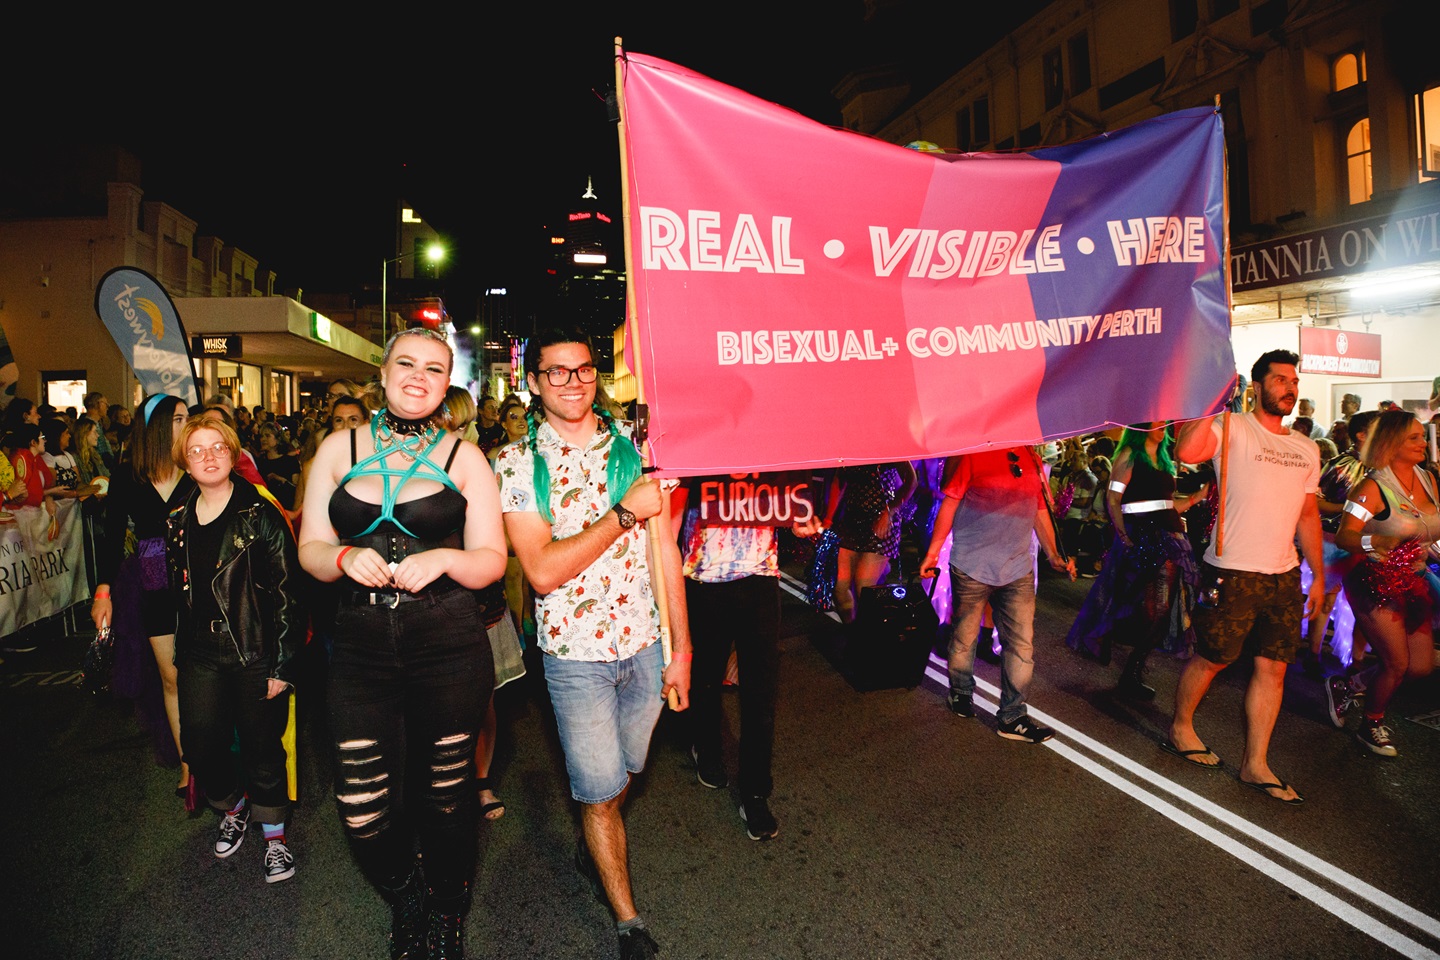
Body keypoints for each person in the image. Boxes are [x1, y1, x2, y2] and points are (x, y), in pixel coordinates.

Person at [299, 328, 506, 960]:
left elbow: (493, 561)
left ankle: (447, 911)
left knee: (445, 796)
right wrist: (340, 556)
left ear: (448, 385)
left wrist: (445, 556)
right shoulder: (338, 448)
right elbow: (308, 549)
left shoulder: (464, 457)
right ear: (383, 373)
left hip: (446, 641)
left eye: (435, 369)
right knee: (360, 806)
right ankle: (407, 892)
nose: (419, 377)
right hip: (360, 646)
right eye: (407, 364)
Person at [495, 327, 690, 960]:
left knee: (626, 771)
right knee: (603, 791)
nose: (573, 381)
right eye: (557, 372)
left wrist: (681, 650)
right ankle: (628, 919)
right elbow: (543, 570)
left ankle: (594, 828)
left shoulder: (638, 447)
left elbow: (667, 553)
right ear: (534, 382)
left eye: (583, 370)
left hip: (644, 647)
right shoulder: (518, 464)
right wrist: (623, 514)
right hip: (573, 656)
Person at [1167, 350, 1323, 804]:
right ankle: (1181, 727)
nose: (1289, 387)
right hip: (1232, 569)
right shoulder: (1232, 428)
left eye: (1293, 380)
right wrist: (1214, 403)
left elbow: (1309, 516)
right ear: (1257, 387)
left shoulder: (1306, 447)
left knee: (1273, 669)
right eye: (1279, 379)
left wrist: (1316, 575)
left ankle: (1256, 763)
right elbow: (1186, 450)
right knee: (1214, 658)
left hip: (1284, 575)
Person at [167, 414, 300, 882]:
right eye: (197, 450)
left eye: (217, 447)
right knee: (200, 745)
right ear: (185, 463)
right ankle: (233, 805)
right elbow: (177, 592)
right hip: (200, 652)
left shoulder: (259, 513)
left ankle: (275, 837)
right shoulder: (177, 520)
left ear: (233, 455)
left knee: (263, 747)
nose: (208, 456)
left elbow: (288, 591)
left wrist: (281, 662)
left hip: (253, 650)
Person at [674, 478, 820, 841]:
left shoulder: (768, 440)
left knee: (761, 693)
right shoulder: (695, 435)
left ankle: (755, 793)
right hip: (703, 578)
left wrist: (800, 518)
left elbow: (791, 496)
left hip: (760, 577)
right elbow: (668, 521)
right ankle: (706, 746)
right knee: (706, 676)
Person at [921, 446, 1075, 744]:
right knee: (965, 636)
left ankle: (1013, 715)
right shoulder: (974, 453)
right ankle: (961, 692)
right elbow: (950, 504)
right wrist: (931, 553)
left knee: (1020, 644)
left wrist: (1054, 554)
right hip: (971, 564)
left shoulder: (1031, 458)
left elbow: (1040, 509)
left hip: (1017, 568)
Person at [92, 395, 195, 794]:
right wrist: (103, 592)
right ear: (158, 426)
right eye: (180, 418)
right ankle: (189, 765)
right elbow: (112, 537)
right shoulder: (127, 476)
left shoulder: (195, 468)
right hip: (151, 582)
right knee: (171, 677)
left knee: (203, 675)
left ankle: (214, 754)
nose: (187, 424)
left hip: (198, 580)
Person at [1066, 423, 1206, 700]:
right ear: (1141, 427)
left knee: (1163, 610)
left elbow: (1165, 505)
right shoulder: (1130, 453)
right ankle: (1126, 664)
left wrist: (1195, 498)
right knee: (1134, 602)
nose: (1162, 428)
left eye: (1164, 423)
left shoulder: (1167, 460)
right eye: (1155, 423)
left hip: (1170, 539)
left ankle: (1132, 668)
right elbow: (1113, 498)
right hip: (1141, 536)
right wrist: (1123, 537)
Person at [1333, 410, 1438, 757]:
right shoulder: (1372, 487)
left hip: (1416, 580)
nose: (1423, 441)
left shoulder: (1429, 480)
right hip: (1375, 581)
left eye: (1422, 435)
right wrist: (1372, 544)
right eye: (1414, 437)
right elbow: (1345, 535)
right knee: (1397, 663)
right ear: (1391, 444)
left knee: (1421, 667)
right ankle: (1372, 724)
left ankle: (1349, 684)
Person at [823, 461, 917, 622]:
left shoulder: (889, 443)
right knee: (838, 586)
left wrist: (890, 511)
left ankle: (868, 637)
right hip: (851, 519)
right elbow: (838, 481)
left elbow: (911, 482)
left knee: (864, 588)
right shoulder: (847, 444)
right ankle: (851, 630)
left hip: (881, 520)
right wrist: (828, 519)